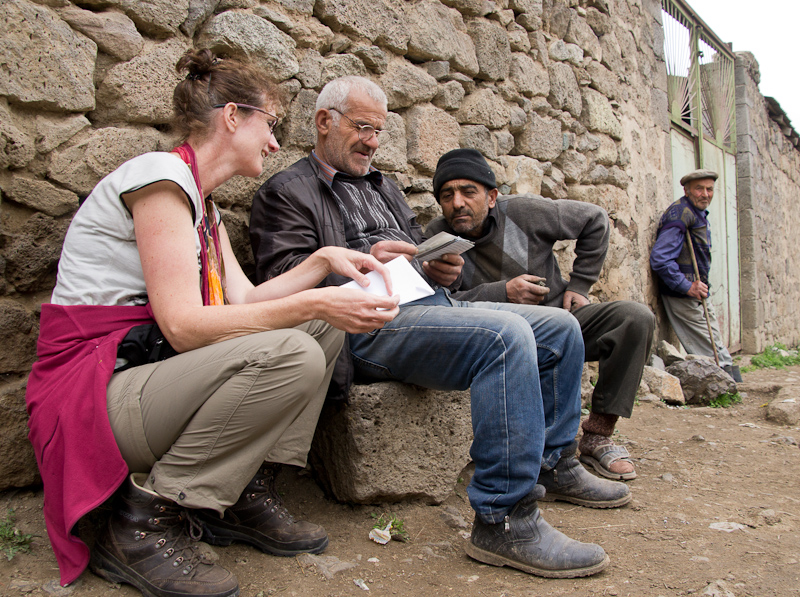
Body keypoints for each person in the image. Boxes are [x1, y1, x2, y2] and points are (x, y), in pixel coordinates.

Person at [25, 50, 401, 597]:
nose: (275, 144)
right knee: (294, 347)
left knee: (322, 331)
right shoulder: (160, 178)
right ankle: (142, 523)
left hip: (145, 383)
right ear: (232, 117)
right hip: (88, 400)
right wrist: (316, 304)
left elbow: (244, 299)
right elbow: (182, 326)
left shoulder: (204, 207)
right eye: (269, 124)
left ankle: (242, 492)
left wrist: (324, 263)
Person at [250, 76, 631, 579]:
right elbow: (281, 282)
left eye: (379, 132)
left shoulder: (382, 185)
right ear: (325, 122)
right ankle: (504, 520)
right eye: (363, 128)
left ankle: (554, 464)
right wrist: (363, 260)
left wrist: (432, 267)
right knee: (505, 337)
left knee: (560, 327)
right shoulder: (286, 191)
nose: (372, 141)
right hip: (366, 326)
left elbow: (413, 253)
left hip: (432, 307)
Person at [426, 148, 655, 481]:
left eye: (468, 192)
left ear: (491, 197)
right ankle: (536, 456)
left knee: (634, 318)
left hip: (562, 323)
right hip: (498, 343)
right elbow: (443, 303)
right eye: (448, 195)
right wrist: (502, 292)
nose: (458, 202)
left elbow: (595, 220)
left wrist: (579, 284)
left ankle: (597, 435)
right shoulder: (439, 238)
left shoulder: (525, 212)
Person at [650, 169, 741, 381]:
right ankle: (724, 384)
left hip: (697, 289)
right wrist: (686, 286)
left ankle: (729, 382)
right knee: (707, 346)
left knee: (713, 339)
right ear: (687, 190)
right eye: (699, 189)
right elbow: (660, 259)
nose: (705, 194)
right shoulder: (681, 214)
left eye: (709, 189)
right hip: (683, 293)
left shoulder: (696, 212)